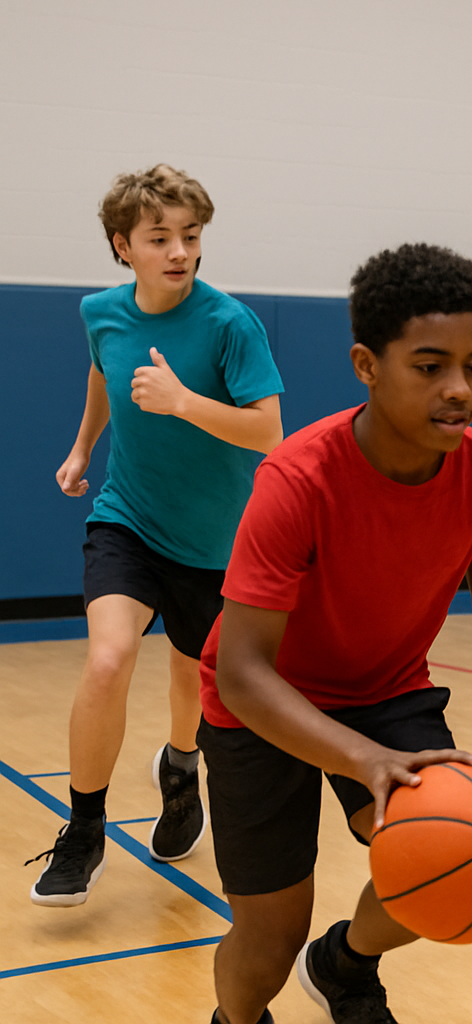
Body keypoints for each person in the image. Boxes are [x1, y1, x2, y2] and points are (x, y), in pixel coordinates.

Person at [200, 243, 472, 1024]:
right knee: (269, 940)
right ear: (367, 364)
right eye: (429, 366)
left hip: (386, 690)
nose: (459, 390)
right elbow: (245, 672)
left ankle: (347, 961)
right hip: (262, 705)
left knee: (457, 859)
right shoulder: (296, 480)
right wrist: (364, 759)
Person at [28, 164, 284, 908]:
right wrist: (83, 447)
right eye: (159, 238)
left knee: (188, 682)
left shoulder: (231, 325)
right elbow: (105, 375)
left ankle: (179, 768)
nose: (179, 251)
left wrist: (183, 403)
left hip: (214, 543)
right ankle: (85, 829)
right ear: (123, 246)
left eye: (191, 236)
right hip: (128, 519)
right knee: (108, 660)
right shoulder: (100, 311)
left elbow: (269, 431)